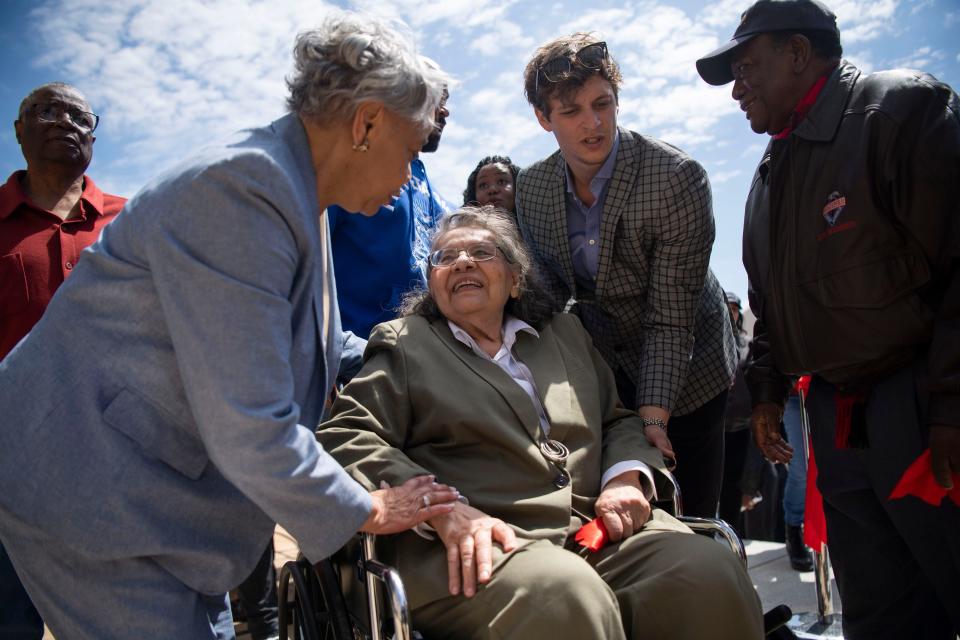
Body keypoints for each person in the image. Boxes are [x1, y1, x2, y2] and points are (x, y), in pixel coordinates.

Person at [0, 13, 461, 640]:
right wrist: (368, 508)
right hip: (93, 490)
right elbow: (250, 424)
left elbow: (322, 342)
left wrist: (423, 358)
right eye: (410, 150)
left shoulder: (300, 195)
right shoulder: (241, 190)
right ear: (368, 123)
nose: (411, 175)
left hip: (167, 505)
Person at [318, 206, 764, 640]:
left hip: (600, 531)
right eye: (445, 258)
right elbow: (347, 434)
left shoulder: (565, 334)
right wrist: (437, 507)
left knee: (707, 571)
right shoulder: (405, 344)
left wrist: (626, 479)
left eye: (481, 252)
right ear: (432, 284)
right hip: (486, 543)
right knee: (565, 596)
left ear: (516, 279)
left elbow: (618, 421)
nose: (462, 262)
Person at [696, 0, 960, 637]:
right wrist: (766, 393)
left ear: (796, 53)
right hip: (838, 425)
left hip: (924, 408)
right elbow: (771, 304)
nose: (737, 90)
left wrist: (952, 406)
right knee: (880, 608)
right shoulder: (768, 174)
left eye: (747, 67)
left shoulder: (898, 111)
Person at [515, 34, 737, 519]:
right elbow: (550, 299)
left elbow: (671, 318)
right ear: (543, 118)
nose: (593, 124)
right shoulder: (530, 189)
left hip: (692, 367)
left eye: (603, 104)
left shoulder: (677, 177)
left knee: (692, 516)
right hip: (607, 374)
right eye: (572, 111)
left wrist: (654, 417)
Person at [0, 82, 125, 640]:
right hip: (12, 466)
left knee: (123, 619)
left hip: (121, 464)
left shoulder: (132, 223)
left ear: (94, 136)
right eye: (45, 111)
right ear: (19, 131)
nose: (64, 122)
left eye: (79, 115)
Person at [327, 78, 455, 341]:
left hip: (425, 352)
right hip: (358, 357)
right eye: (437, 99)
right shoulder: (349, 176)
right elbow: (308, 268)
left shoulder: (435, 195)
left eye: (446, 101)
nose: (445, 111)